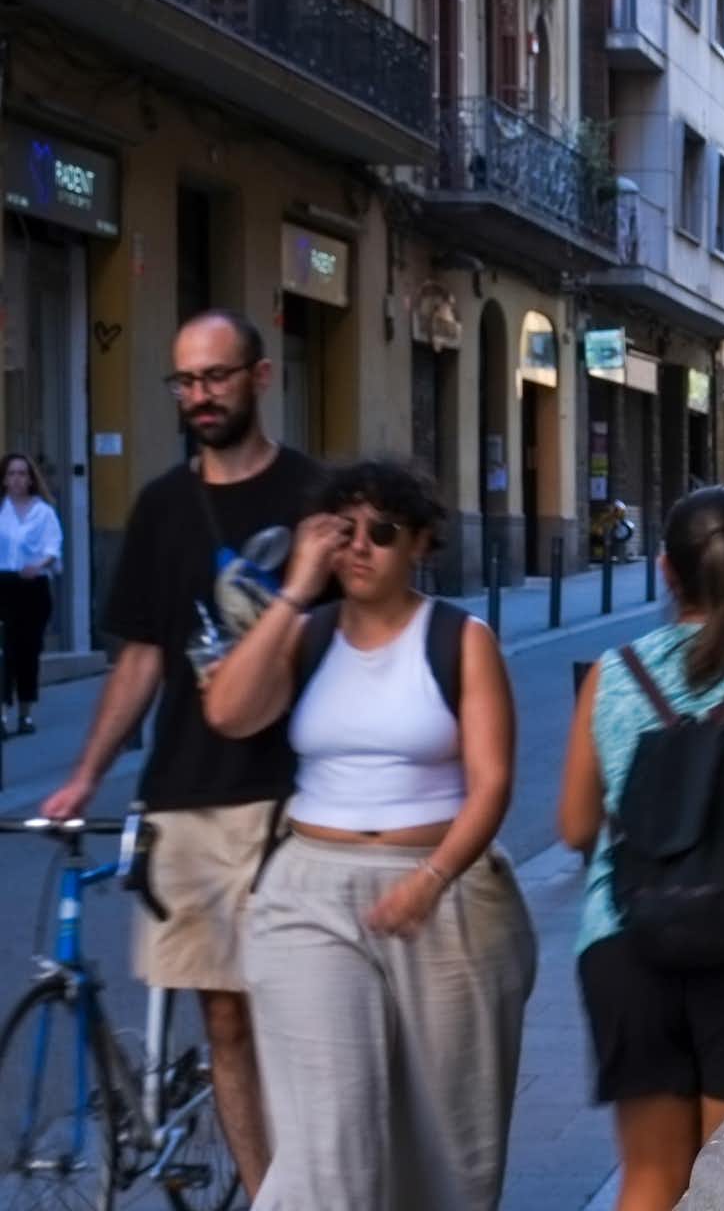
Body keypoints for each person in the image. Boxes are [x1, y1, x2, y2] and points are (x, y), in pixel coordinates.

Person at [40, 309, 328, 1198]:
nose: (200, 396)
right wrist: (87, 772)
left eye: (216, 376)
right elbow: (138, 658)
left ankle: (318, 1180)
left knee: (306, 1018)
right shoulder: (163, 506)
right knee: (226, 1018)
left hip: (296, 797)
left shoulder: (314, 495)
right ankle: (264, 1189)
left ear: (261, 377)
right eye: (186, 381)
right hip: (187, 798)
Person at [203, 457, 535, 1210]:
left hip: (443, 892)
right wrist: (292, 589)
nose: (358, 547)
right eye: (340, 531)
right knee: (329, 1149)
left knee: (449, 1151)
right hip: (309, 894)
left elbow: (492, 785)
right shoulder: (307, 633)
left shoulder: (460, 638)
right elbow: (227, 713)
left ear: (420, 543)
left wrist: (431, 878)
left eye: (380, 533)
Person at [560, 486, 724, 1211]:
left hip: (623, 939)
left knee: (649, 1179)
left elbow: (576, 827)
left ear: (665, 572)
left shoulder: (613, 674)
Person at [0, 452, 63, 736]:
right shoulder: (1, 510)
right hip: (4, 584)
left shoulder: (44, 512)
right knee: (3, 652)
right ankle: (2, 714)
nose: (16, 479)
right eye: (11, 473)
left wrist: (37, 565)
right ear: (4, 479)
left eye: (22, 474)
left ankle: (25, 713)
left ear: (31, 479)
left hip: (33, 588)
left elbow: (53, 549)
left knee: (28, 651)